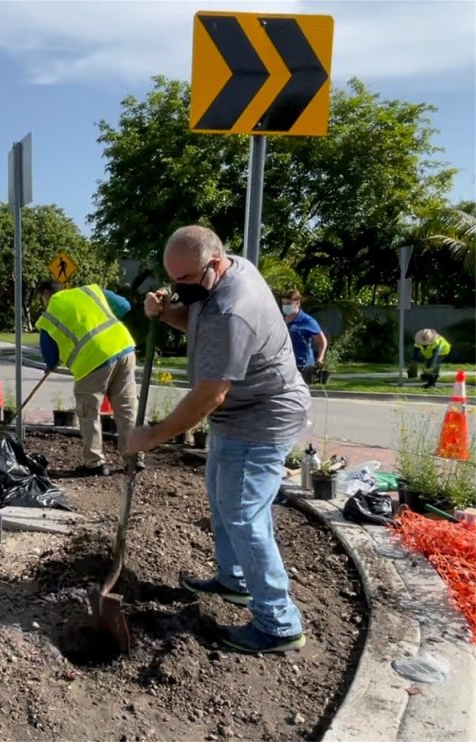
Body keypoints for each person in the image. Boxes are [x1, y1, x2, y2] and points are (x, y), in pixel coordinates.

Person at [126, 225, 310, 654]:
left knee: (244, 514)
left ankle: (278, 624)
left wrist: (151, 436)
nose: (178, 288)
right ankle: (235, 580)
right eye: (172, 280)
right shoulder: (228, 273)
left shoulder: (233, 307)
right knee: (221, 497)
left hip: (262, 416)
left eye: (185, 281)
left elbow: (211, 394)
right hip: (236, 415)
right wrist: (165, 313)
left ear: (214, 264)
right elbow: (198, 323)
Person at [35, 279, 139, 477]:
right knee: (126, 407)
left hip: (92, 361)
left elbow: (49, 351)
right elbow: (124, 306)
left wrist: (50, 365)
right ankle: (134, 458)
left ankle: (95, 462)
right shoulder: (90, 291)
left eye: (41, 299)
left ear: (47, 294)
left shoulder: (50, 313)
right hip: (123, 347)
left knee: (88, 411)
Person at [280, 290, 327, 383]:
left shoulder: (307, 321)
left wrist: (320, 358)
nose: (285, 306)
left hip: (302, 366)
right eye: (283, 303)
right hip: (283, 364)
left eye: (288, 303)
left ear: (297, 303)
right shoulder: (279, 319)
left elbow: (321, 340)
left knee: (299, 394)